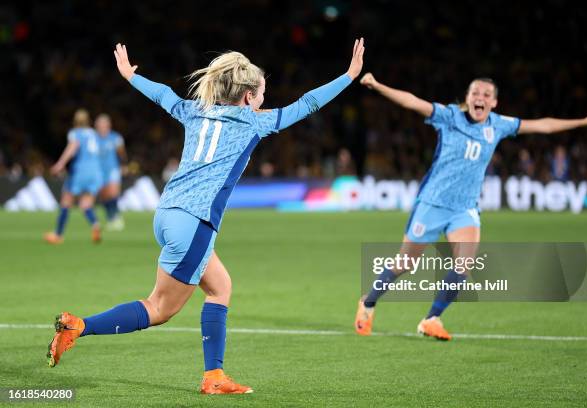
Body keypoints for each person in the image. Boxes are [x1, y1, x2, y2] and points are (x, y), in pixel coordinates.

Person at [47, 40, 365, 395]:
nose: (264, 99)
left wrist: (130, 77)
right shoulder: (253, 122)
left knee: (220, 287)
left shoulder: (194, 110)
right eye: (262, 93)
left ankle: (214, 375)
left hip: (167, 213)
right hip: (194, 222)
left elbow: (163, 95)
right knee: (160, 308)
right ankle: (79, 327)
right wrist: (349, 76)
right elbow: (306, 104)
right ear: (247, 96)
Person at [355, 73, 587, 340]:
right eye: (475, 93)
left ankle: (431, 319)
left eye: (486, 94)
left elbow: (543, 126)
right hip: (432, 203)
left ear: (494, 102)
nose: (480, 98)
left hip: (465, 208)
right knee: (404, 263)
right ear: (468, 97)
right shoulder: (450, 117)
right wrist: (377, 86)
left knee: (464, 266)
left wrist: (583, 121)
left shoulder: (498, 125)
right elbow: (412, 102)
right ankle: (368, 302)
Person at [44, 109, 103, 244]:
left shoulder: (75, 133)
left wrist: (60, 164)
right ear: (88, 120)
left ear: (75, 121)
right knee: (85, 204)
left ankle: (58, 235)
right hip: (95, 172)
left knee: (66, 201)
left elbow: (72, 147)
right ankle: (95, 225)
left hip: (80, 171)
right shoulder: (93, 134)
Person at [95, 113, 127, 231]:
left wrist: (123, 165)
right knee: (104, 196)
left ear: (108, 124)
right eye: (99, 124)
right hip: (99, 171)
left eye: (104, 123)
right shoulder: (93, 138)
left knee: (113, 193)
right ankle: (110, 218)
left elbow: (121, 153)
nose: (101, 126)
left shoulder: (115, 137)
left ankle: (116, 217)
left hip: (113, 169)